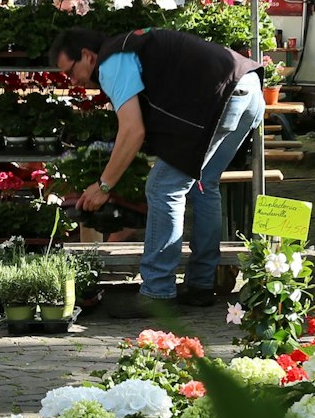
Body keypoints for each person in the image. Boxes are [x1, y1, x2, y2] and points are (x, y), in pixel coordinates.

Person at [50, 25, 263, 310]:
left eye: (69, 71)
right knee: (203, 184)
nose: (71, 81)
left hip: (222, 96)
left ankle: (157, 294)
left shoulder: (112, 61)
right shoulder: (128, 48)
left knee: (163, 189)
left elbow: (132, 131)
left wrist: (103, 187)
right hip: (247, 87)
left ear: (87, 56)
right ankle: (201, 284)